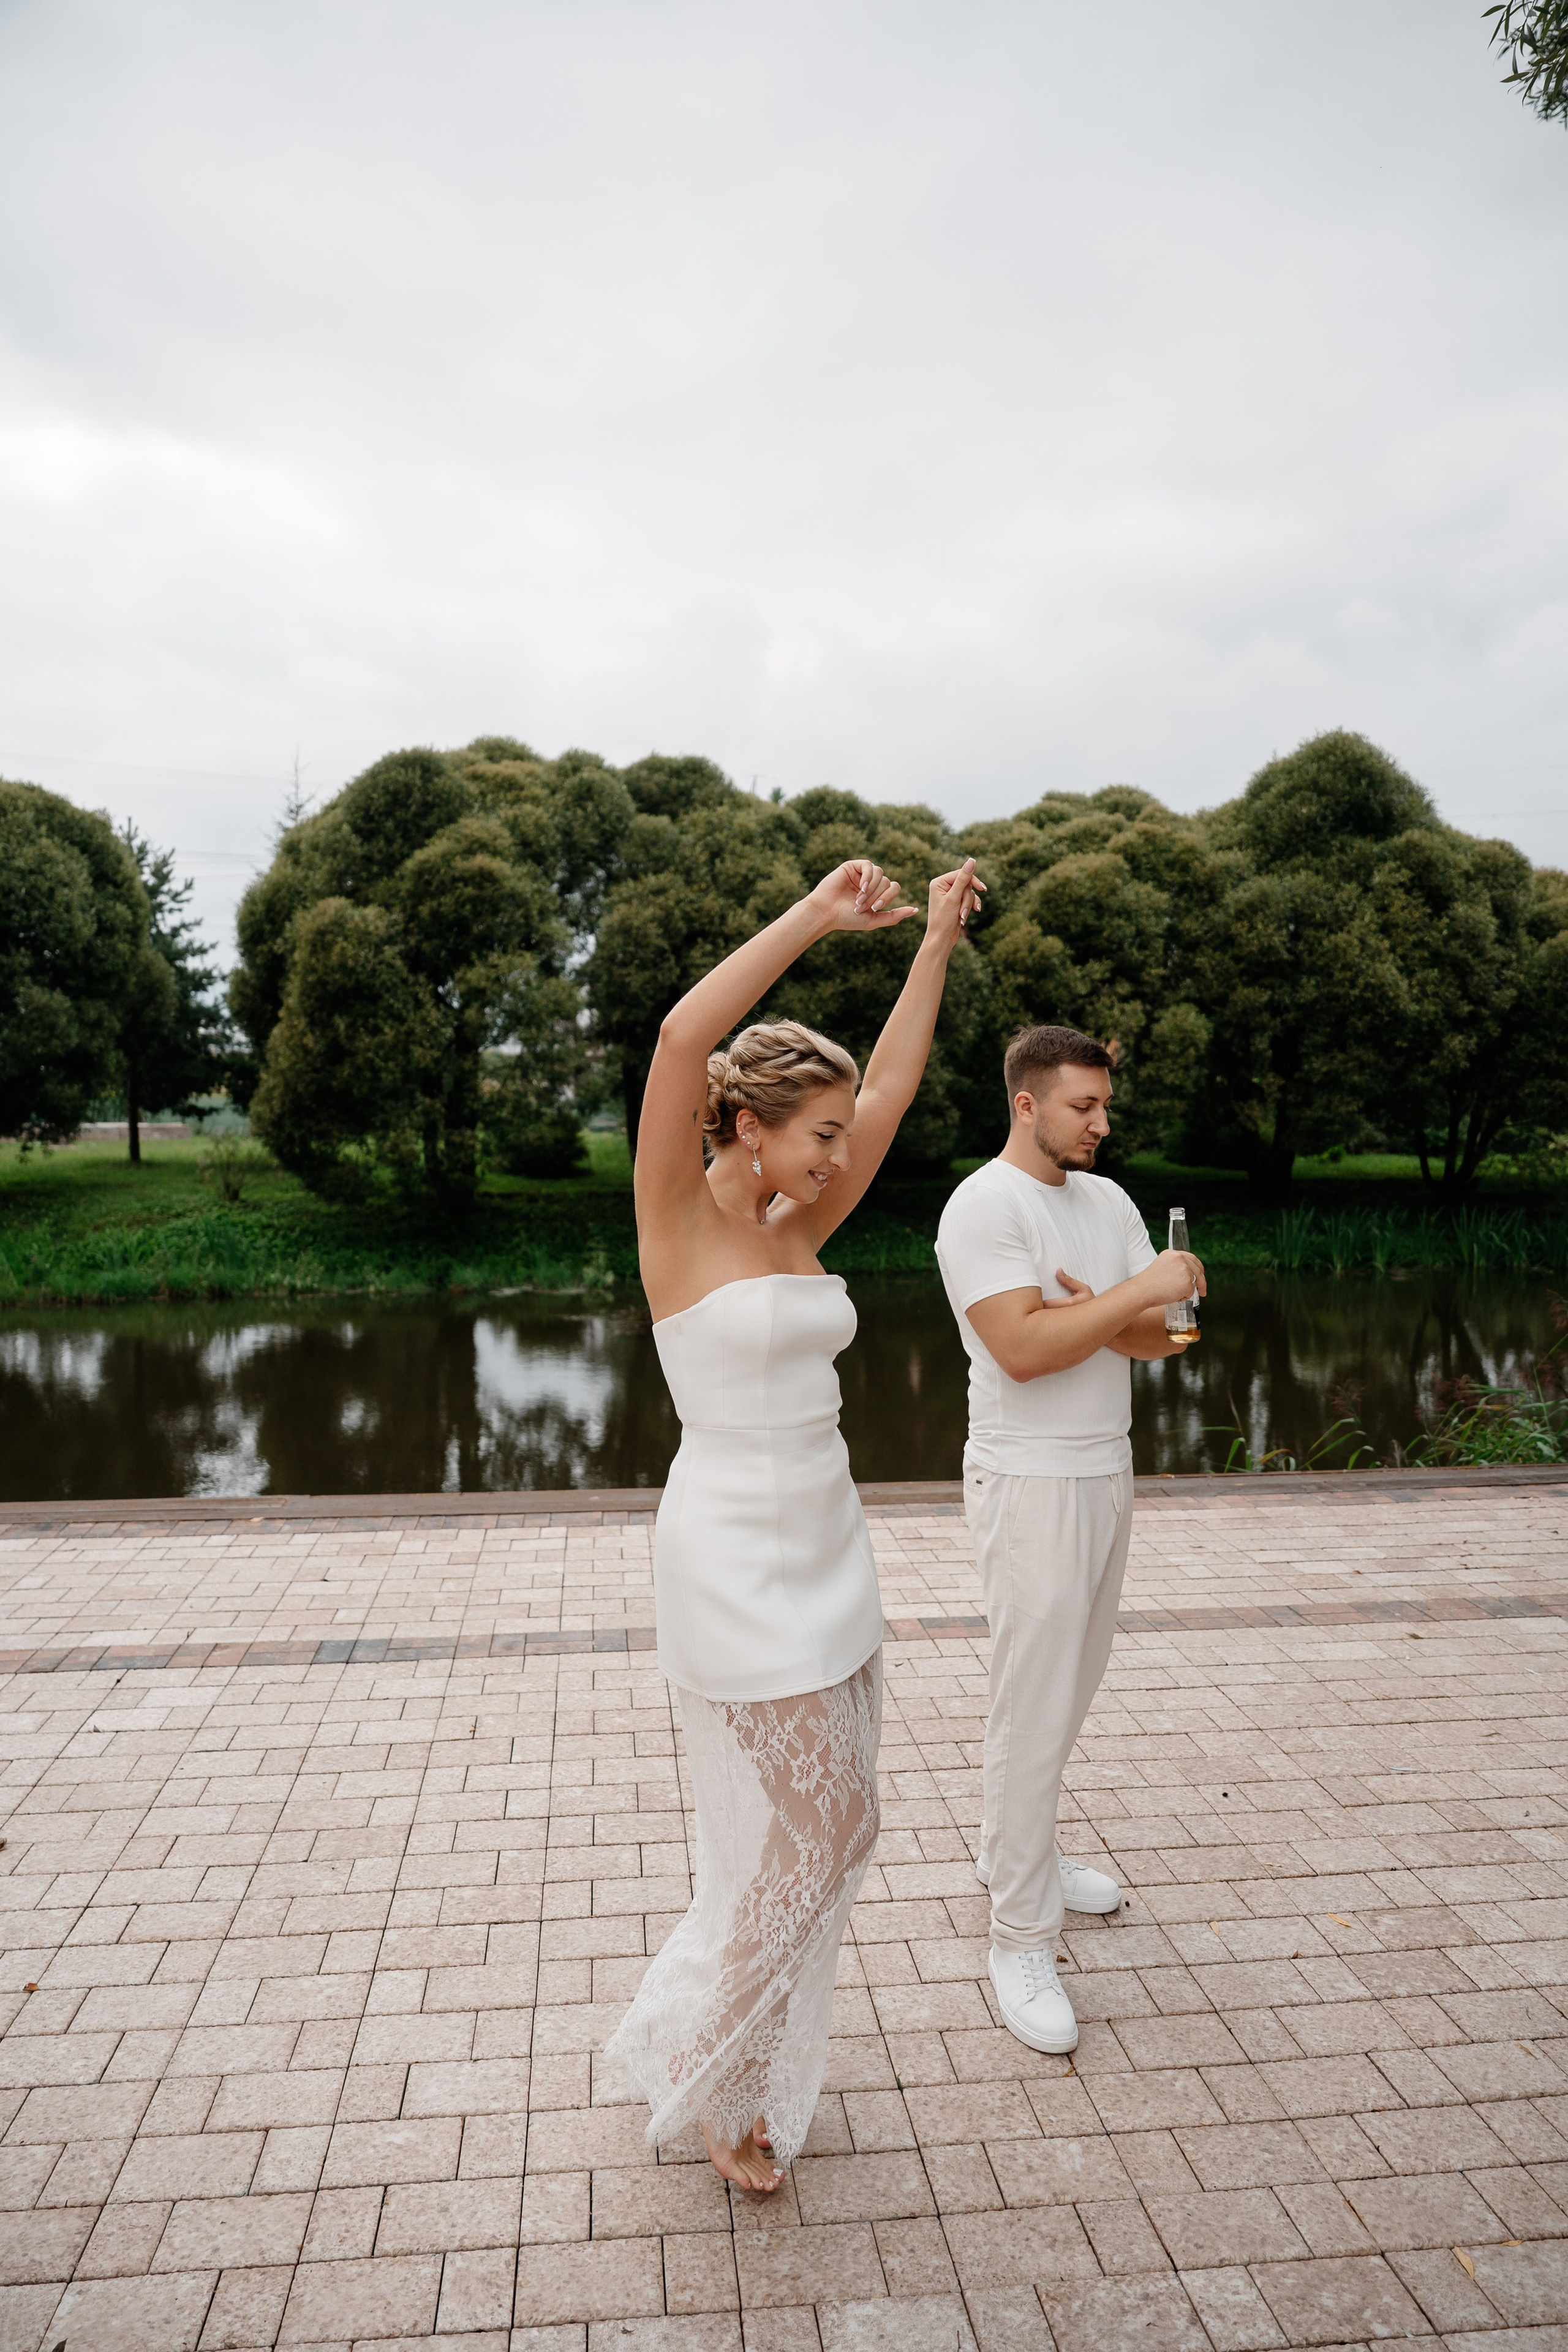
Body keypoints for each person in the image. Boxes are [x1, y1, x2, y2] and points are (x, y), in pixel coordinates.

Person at [606, 852, 984, 2190]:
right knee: (830, 1828)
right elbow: (678, 1034)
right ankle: (717, 2071)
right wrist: (819, 919)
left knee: (828, 1828)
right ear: (748, 1124)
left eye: (836, 1140)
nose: (840, 1159)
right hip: (725, 1547)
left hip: (824, 1534)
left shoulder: (797, 1209)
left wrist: (931, 940)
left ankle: (719, 2038)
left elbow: (885, 1084)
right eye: (816, 1135)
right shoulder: (673, 1219)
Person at [935, 1024, 1205, 2054]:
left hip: (1107, 1466)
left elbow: (1163, 1342)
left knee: (1072, 1687)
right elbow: (1022, 1350)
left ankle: (1025, 1859)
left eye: (1104, 1104)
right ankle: (1018, 1935)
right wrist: (1131, 1300)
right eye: (1083, 1106)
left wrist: (1112, 1311)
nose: (1102, 1122)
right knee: (1032, 1698)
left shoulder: (1109, 1202)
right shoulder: (983, 1205)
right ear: (1027, 1104)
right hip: (1030, 1477)